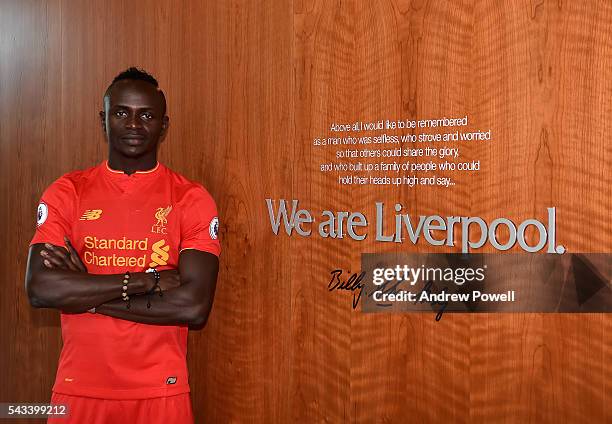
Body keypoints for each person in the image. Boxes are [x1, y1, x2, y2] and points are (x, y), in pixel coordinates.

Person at [24, 67, 220, 423]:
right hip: (77, 388)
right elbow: (40, 288)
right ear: (104, 120)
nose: (133, 124)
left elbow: (193, 307)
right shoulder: (68, 192)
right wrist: (147, 280)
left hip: (161, 390)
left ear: (163, 125)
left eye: (146, 115)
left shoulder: (191, 198)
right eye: (121, 113)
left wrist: (88, 298)